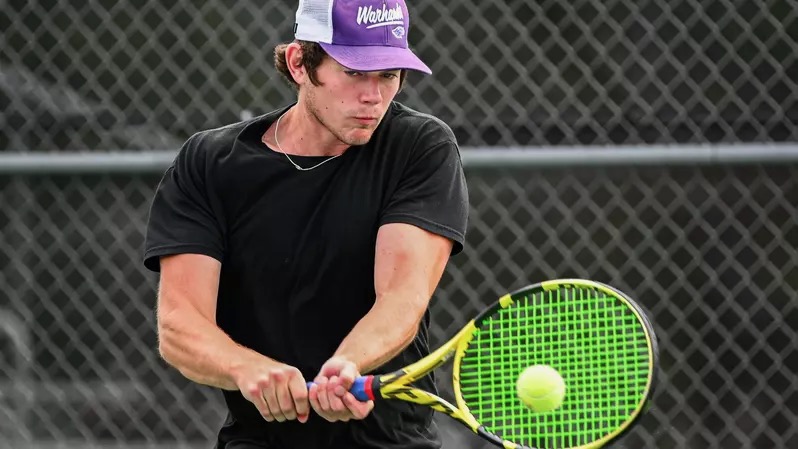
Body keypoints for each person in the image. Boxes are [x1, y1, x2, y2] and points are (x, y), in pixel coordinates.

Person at [143, 0, 469, 447]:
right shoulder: (209, 163)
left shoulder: (419, 147)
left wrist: (348, 364)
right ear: (299, 63)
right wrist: (250, 369)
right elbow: (181, 325)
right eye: (354, 72)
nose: (373, 96)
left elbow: (402, 299)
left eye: (388, 75)